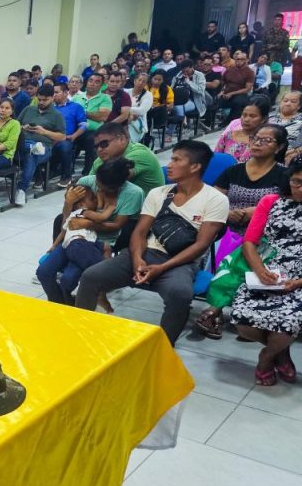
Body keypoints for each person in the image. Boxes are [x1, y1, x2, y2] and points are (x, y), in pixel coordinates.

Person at [75, 140, 229, 344]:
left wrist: (162, 267)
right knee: (91, 276)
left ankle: (163, 347)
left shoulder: (215, 199)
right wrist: (138, 259)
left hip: (179, 261)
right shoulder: (160, 193)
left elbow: (201, 244)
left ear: (195, 166)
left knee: (180, 294)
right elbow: (140, 232)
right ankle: (78, 331)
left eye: (176, 159)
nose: (169, 164)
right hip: (145, 253)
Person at [194, 125, 288, 339]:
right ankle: (222, 313)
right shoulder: (233, 170)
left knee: (246, 257)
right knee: (226, 256)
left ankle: (218, 313)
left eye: (266, 140)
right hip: (227, 230)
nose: (257, 142)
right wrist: (228, 214)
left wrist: (254, 212)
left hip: (266, 235)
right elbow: (214, 199)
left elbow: (284, 205)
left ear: (280, 146)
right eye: (255, 138)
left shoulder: (283, 175)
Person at [229, 159, 302, 385]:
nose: (300, 188)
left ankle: (266, 357)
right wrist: (260, 270)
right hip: (267, 269)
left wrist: (298, 282)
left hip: (298, 279)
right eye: (297, 182)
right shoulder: (271, 202)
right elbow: (249, 241)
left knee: (287, 323)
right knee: (243, 323)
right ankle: (280, 353)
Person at [36, 183, 114, 305]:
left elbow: (107, 220)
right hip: (75, 245)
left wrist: (88, 222)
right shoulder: (82, 211)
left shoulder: (87, 208)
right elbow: (63, 230)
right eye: (92, 199)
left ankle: (70, 303)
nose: (95, 201)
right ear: (81, 204)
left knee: (68, 279)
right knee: (43, 272)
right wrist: (54, 246)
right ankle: (59, 302)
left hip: (84, 245)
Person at [15, 85, 66, 205]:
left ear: (52, 98)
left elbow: (62, 136)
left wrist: (44, 132)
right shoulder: (28, 109)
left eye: (45, 100)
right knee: (30, 152)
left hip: (44, 147)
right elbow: (14, 125)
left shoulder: (56, 115)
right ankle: (21, 189)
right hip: (24, 142)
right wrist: (23, 127)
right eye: (40, 99)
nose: (41, 102)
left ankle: (21, 189)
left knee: (31, 155)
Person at [87, 122, 165, 196]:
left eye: (104, 144)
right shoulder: (102, 158)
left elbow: (111, 179)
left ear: (122, 139)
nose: (99, 149)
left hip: (148, 207)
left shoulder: (140, 154)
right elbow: (87, 186)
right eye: (96, 147)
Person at [52, 82, 88, 187]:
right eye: (52, 92)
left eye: (56, 92)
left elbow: (83, 125)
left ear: (65, 93)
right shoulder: (49, 107)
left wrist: (74, 136)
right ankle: (40, 176)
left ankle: (66, 176)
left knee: (65, 147)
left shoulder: (76, 107)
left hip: (65, 138)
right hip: (48, 137)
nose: (53, 95)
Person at [215, 95, 271, 163]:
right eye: (244, 115)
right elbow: (215, 159)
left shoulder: (266, 141)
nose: (246, 119)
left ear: (263, 119)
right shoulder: (228, 136)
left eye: (252, 116)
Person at [216, 51, 257, 122]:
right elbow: (223, 83)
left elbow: (247, 89)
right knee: (214, 101)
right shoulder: (229, 70)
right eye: (237, 59)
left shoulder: (250, 72)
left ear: (247, 60)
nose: (239, 61)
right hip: (226, 93)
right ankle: (208, 123)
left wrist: (231, 94)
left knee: (237, 102)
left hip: (240, 94)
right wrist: (221, 92)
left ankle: (230, 122)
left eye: (242, 59)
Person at [268, 91, 302, 164]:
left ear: (299, 106)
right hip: (265, 154)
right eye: (285, 100)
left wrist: (295, 152)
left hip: (290, 158)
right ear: (280, 102)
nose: (288, 104)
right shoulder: (269, 118)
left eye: (293, 102)